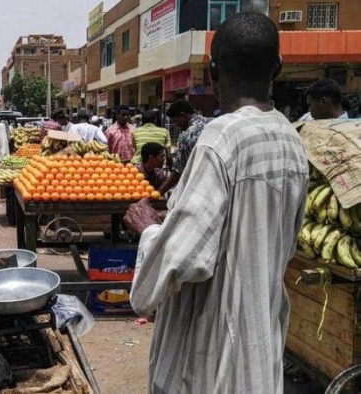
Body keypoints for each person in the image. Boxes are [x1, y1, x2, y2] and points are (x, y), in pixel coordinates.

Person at [123, 12, 308, 392]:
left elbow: (183, 259)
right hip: (259, 342)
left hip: (213, 359)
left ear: (212, 72)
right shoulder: (290, 139)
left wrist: (149, 229)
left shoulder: (220, 138)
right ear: (278, 67)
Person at [157, 99, 209, 195]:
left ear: (182, 115)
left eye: (175, 121)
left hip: (200, 186)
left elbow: (178, 171)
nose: (176, 125)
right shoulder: (212, 122)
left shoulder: (187, 135)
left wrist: (160, 192)